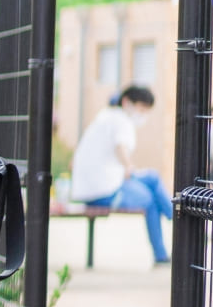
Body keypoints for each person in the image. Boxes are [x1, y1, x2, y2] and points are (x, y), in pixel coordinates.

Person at [70, 85, 171, 265]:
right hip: (104, 192)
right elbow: (120, 147)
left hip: (93, 188)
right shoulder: (121, 120)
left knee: (152, 179)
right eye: (141, 109)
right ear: (126, 102)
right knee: (151, 198)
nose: (142, 115)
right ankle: (178, 227)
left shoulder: (105, 116)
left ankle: (166, 244)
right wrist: (128, 167)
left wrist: (127, 169)